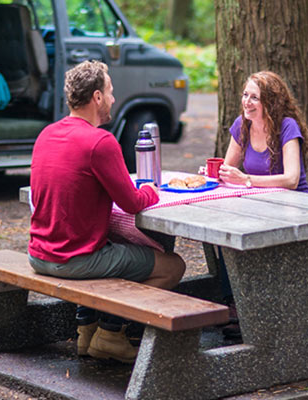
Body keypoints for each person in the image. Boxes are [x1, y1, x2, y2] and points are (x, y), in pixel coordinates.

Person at [28, 60, 185, 363]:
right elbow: (133, 203)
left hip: (39, 254)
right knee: (173, 266)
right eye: (111, 92)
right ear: (97, 97)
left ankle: (87, 331)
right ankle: (111, 334)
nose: (114, 99)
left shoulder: (46, 134)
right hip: (74, 260)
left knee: (114, 247)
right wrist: (152, 188)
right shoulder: (100, 141)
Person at [214, 71, 308, 339]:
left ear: (270, 101)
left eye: (254, 97)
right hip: (258, 204)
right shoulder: (241, 125)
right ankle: (233, 303)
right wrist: (219, 175)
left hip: (294, 207)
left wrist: (247, 180)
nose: (247, 102)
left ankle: (256, 307)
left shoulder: (287, 126)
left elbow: (292, 179)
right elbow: (227, 169)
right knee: (224, 233)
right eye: (245, 95)